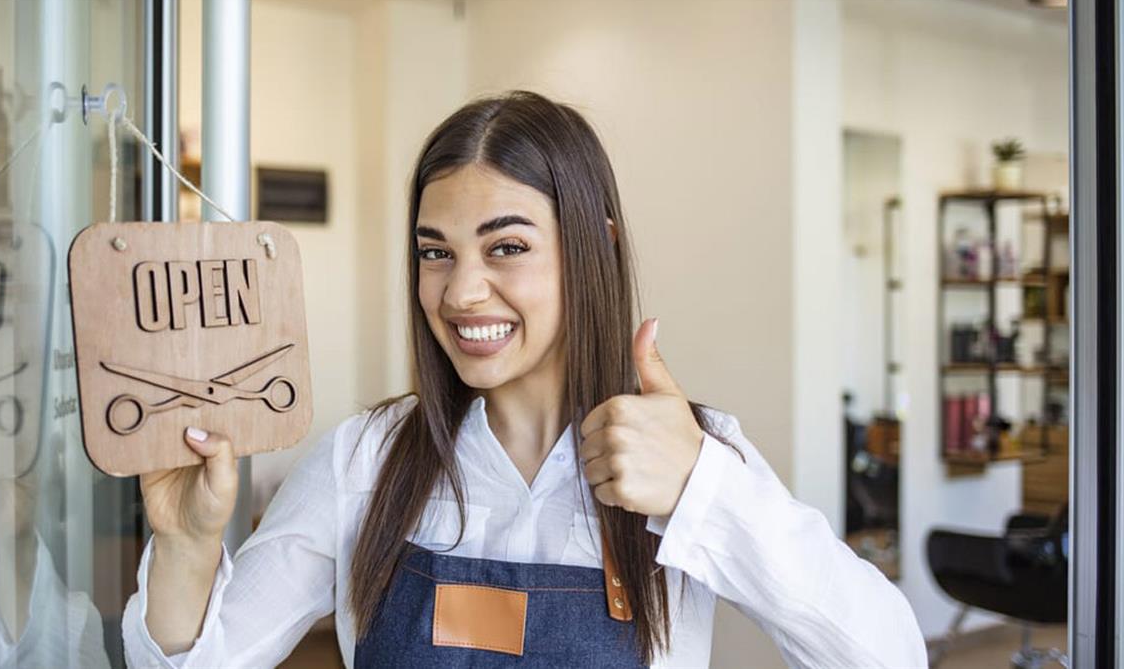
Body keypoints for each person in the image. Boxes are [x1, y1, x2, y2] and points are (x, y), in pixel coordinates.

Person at [122, 90, 927, 668]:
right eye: (436, 250)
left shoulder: (691, 456)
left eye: (505, 246)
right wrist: (188, 544)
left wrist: (703, 489)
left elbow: (888, 654)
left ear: (594, 246)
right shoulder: (364, 460)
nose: (461, 289)